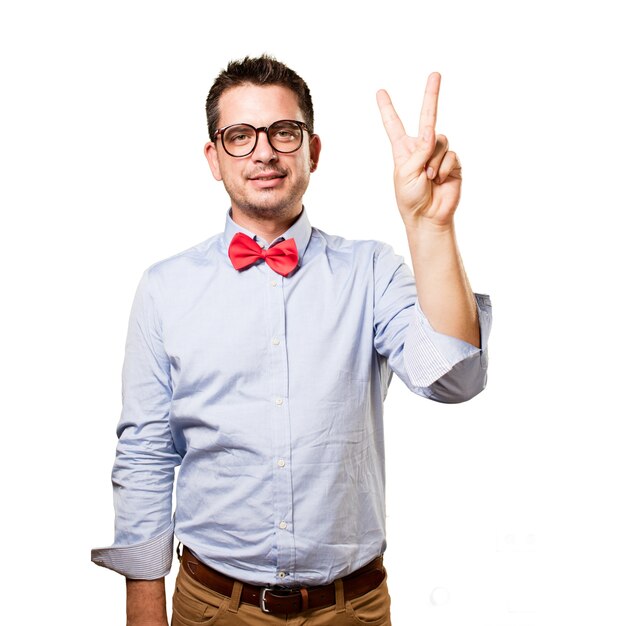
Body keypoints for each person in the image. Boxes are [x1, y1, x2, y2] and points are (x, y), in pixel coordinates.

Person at [92, 55, 492, 625]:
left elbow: (456, 379)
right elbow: (146, 454)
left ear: (314, 150)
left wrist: (430, 227)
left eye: (284, 131)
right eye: (239, 135)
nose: (263, 151)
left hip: (351, 609)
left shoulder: (371, 271)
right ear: (213, 157)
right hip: (212, 607)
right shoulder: (164, 289)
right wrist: (144, 610)